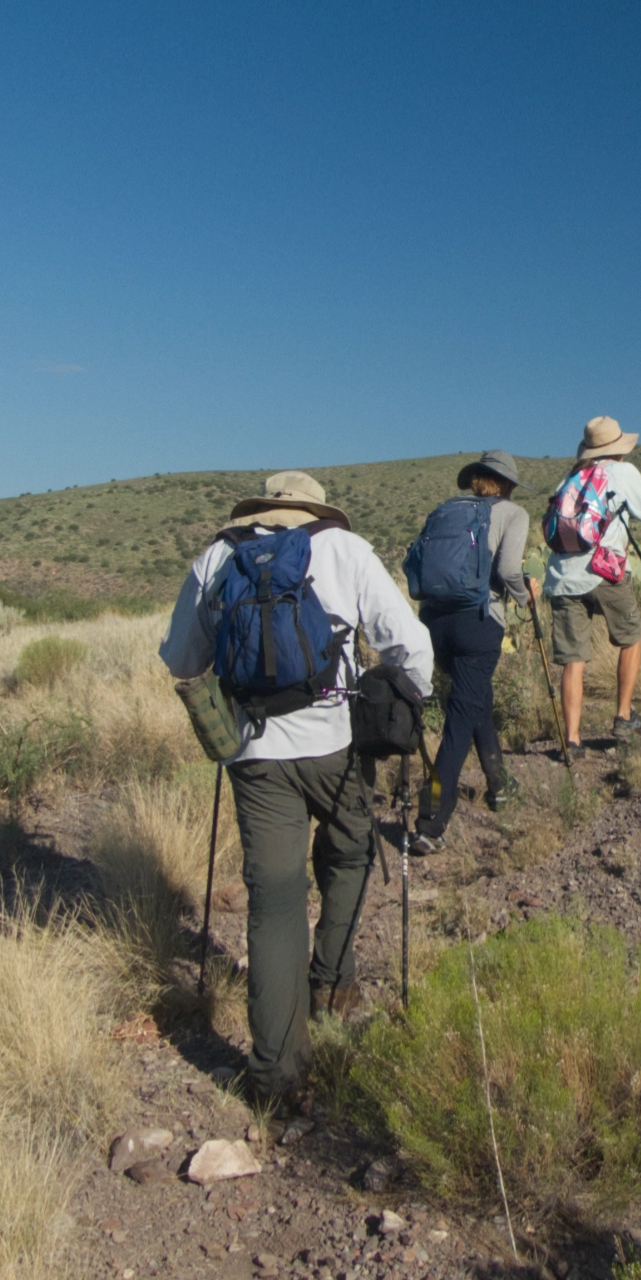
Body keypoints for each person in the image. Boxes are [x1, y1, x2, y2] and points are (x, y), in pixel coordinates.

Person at [159, 471, 433, 1106]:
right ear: (313, 508)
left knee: (275, 904)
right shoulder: (345, 548)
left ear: (262, 511)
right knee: (353, 851)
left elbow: (180, 659)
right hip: (336, 745)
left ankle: (276, 1077)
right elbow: (410, 646)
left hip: (254, 756)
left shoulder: (218, 557)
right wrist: (400, 700)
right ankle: (332, 981)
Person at [406, 450, 535, 854]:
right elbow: (511, 570)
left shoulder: (445, 510)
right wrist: (525, 597)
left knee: (474, 699)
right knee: (460, 720)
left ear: (476, 479)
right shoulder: (512, 514)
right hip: (478, 622)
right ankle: (431, 819)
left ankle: (499, 784)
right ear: (508, 484)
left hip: (434, 622)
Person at [543, 417, 641, 755]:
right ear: (618, 448)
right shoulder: (622, 473)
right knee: (631, 639)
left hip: (564, 577)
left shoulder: (569, 477)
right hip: (605, 570)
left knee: (573, 659)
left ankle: (572, 740)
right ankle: (624, 718)